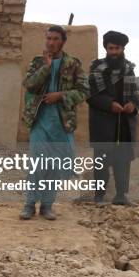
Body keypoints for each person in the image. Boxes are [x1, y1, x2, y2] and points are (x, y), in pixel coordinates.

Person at [20, 25, 89, 220]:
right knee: (37, 164)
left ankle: (47, 205)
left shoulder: (73, 64)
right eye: (48, 38)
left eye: (55, 39)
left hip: (62, 123)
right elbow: (29, 84)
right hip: (40, 120)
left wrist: (61, 95)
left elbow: (84, 91)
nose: (51, 42)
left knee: (56, 167)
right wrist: (47, 67)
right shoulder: (37, 62)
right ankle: (29, 204)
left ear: (63, 41)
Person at [87, 31, 139, 205]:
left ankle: (121, 196)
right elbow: (90, 96)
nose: (113, 52)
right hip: (103, 123)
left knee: (123, 160)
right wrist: (109, 104)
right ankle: (99, 196)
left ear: (122, 49)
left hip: (124, 123)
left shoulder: (129, 69)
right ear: (106, 48)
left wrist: (132, 105)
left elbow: (136, 95)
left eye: (117, 48)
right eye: (110, 48)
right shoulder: (97, 69)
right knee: (102, 161)